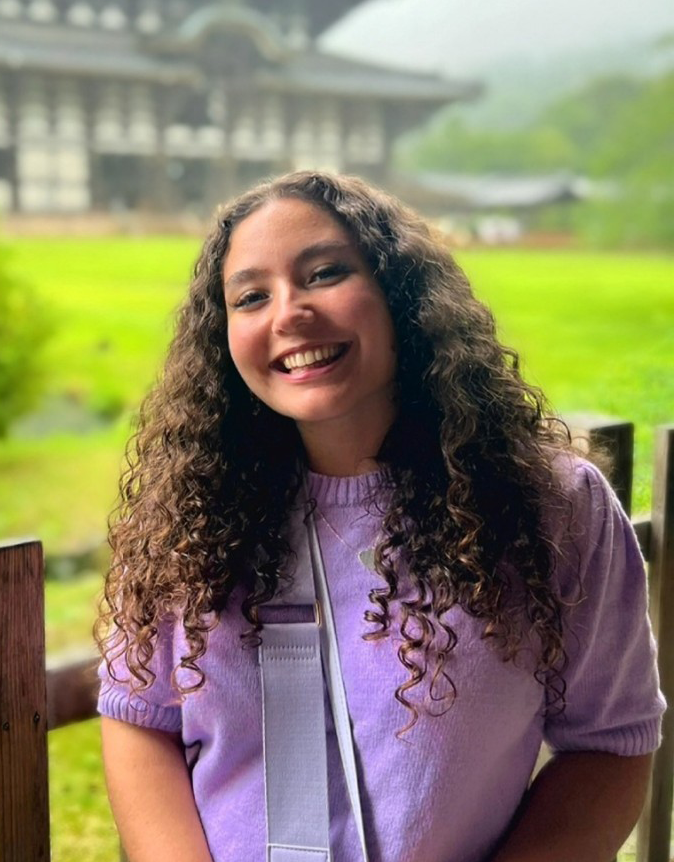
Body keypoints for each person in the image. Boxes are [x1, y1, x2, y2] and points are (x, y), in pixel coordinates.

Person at [95, 170, 664, 862]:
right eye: (250, 296)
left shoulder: (550, 507)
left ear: (401, 294)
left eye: (325, 273)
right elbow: (140, 718)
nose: (287, 313)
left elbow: (608, 745)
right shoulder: (188, 516)